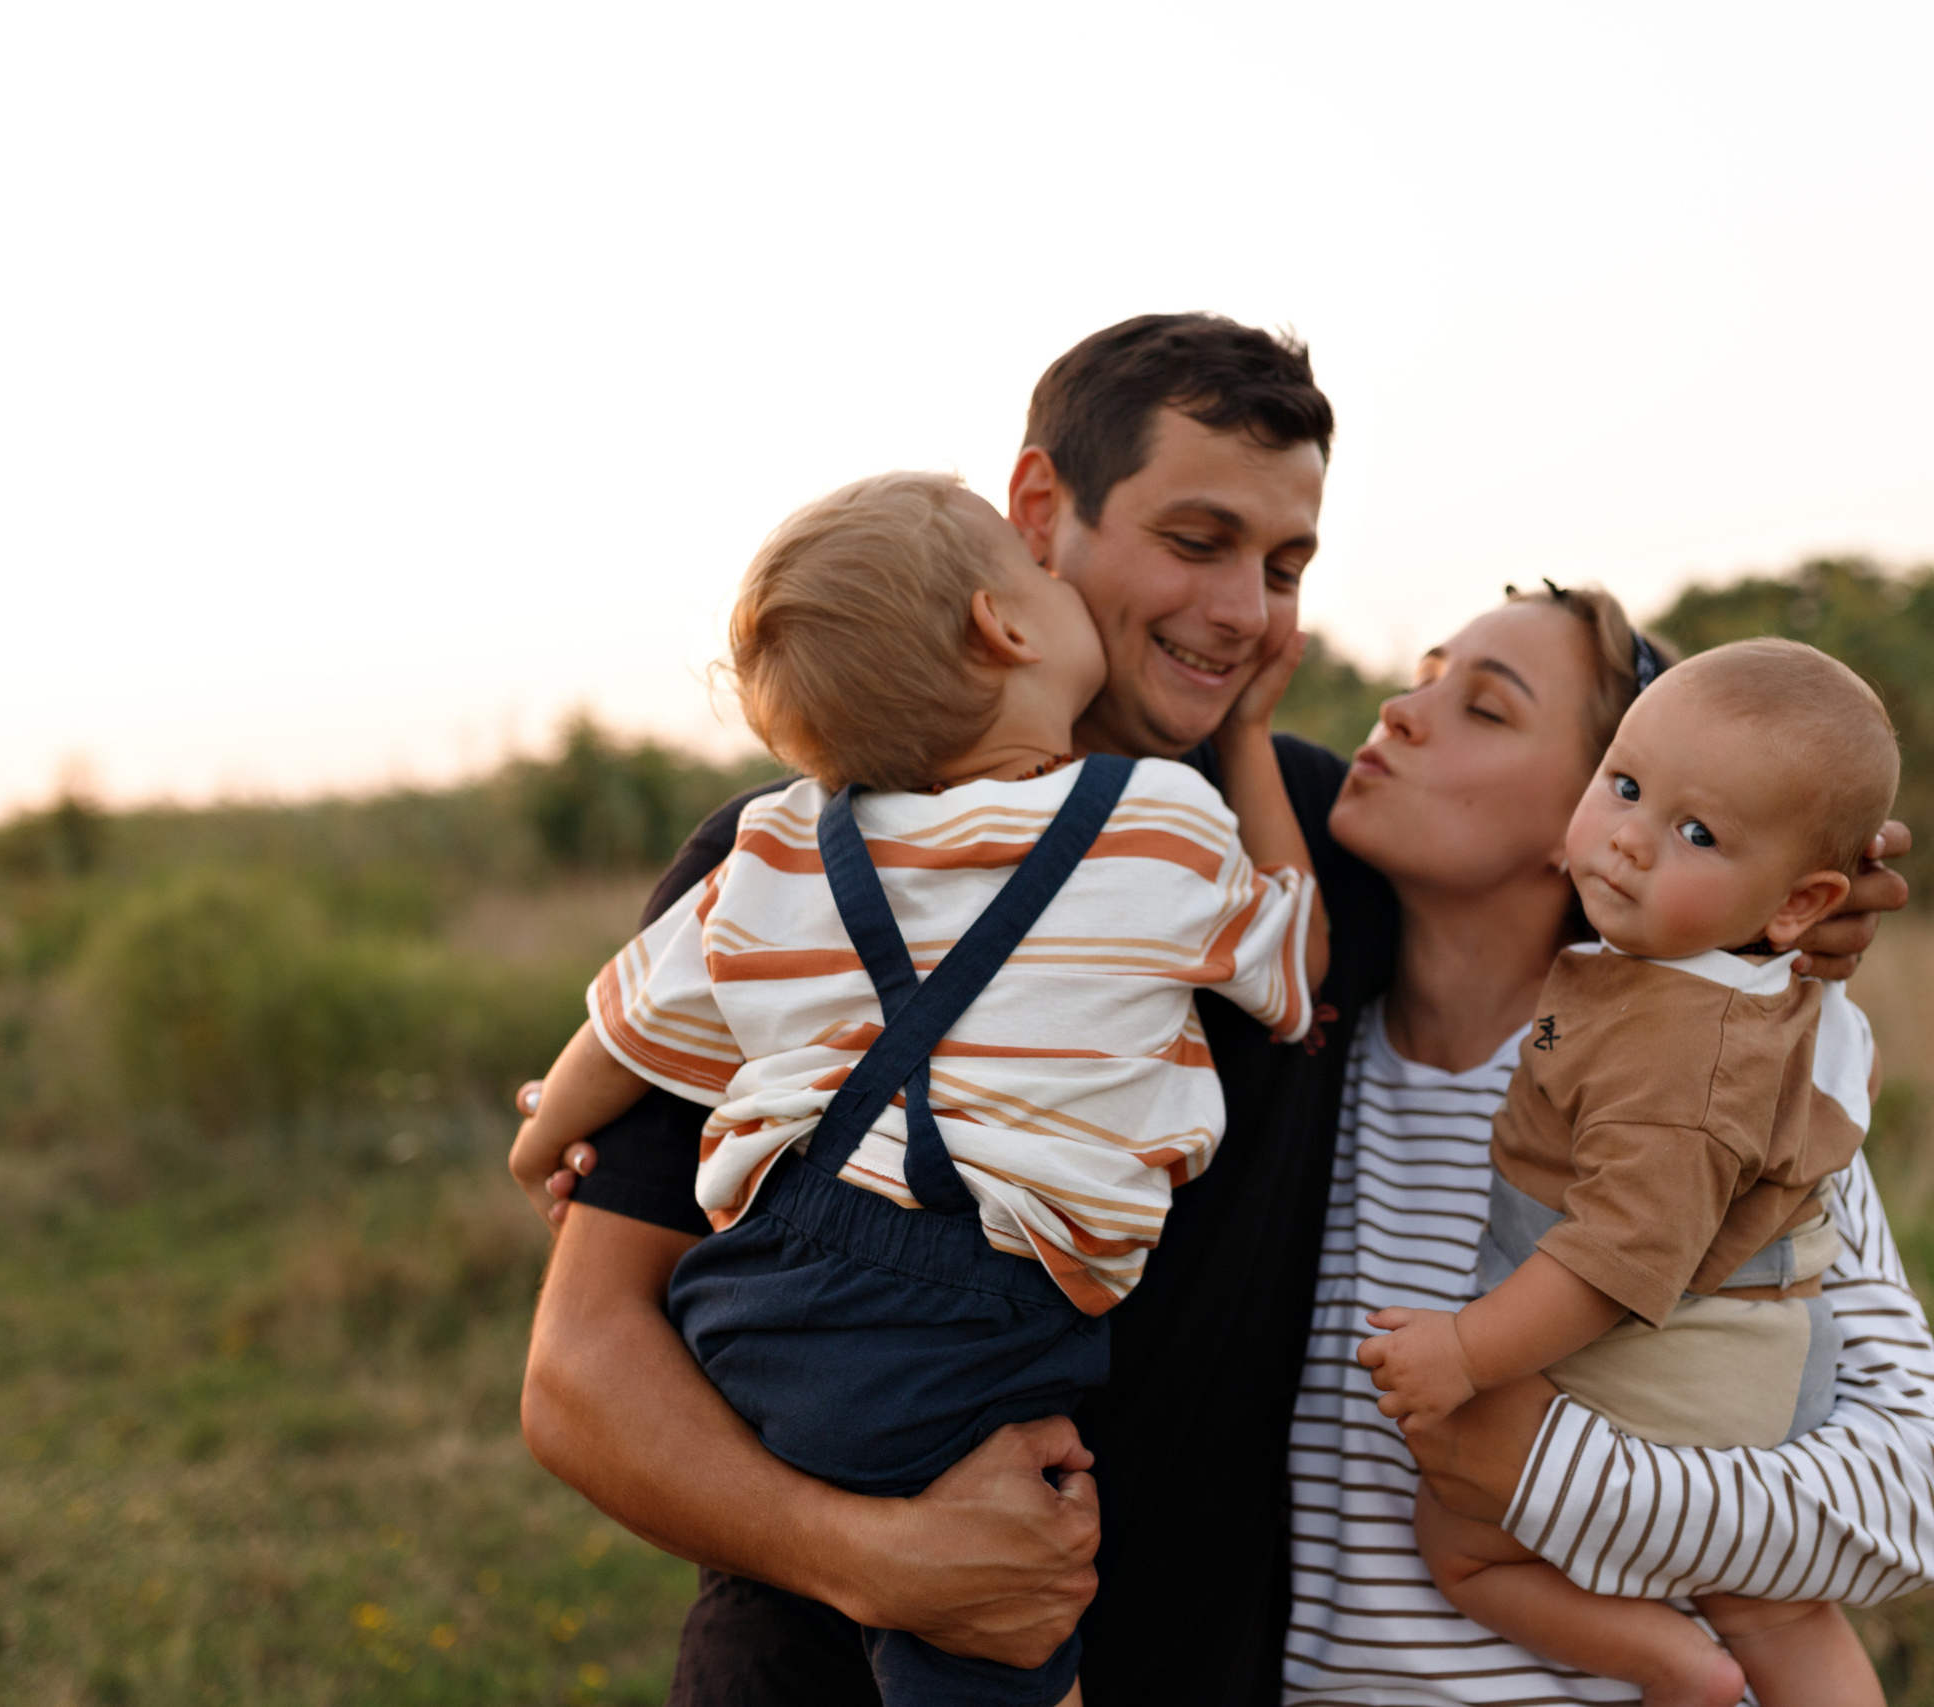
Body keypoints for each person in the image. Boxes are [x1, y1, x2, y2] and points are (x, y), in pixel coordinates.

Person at [515, 316, 1934, 1705]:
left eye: (1285, 563)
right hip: (817, 1669)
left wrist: (1799, 892)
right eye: (1196, 540)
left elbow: (1635, 846)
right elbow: (581, 1375)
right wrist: (887, 1560)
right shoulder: (794, 857)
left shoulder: (1344, 842)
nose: (1242, 611)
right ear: (1039, 511)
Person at [505, 469, 1324, 1706]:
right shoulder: (1160, 822)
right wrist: (1249, 747)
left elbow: (626, 1028)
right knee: (1000, 1615)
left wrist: (540, 1143)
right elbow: (1294, 976)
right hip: (974, 1315)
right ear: (1005, 622)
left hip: (759, 1305)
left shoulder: (781, 842)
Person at [1285, 589, 1934, 1705]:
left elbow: (1926, 1508)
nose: (1400, 712)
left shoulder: (1722, 1074)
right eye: (1422, 675)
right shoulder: (1289, 1071)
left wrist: (1544, 1471)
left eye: (1486, 708)